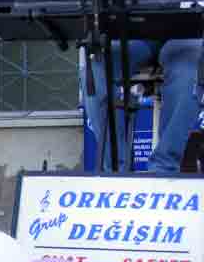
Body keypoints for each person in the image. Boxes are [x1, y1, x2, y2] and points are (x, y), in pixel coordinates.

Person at [83, 38, 202, 173]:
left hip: (187, 37)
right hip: (136, 36)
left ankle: (164, 168)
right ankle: (116, 170)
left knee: (193, 68)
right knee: (94, 68)